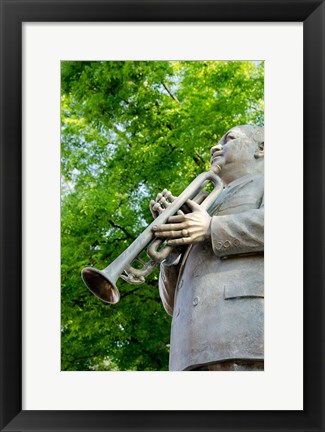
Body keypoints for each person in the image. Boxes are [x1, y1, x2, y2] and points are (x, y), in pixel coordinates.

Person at [150, 125, 264, 371]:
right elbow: (171, 304)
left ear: (262, 149)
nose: (216, 147)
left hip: (245, 337)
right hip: (187, 352)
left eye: (229, 139)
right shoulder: (205, 203)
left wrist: (212, 228)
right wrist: (172, 248)